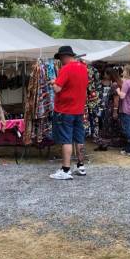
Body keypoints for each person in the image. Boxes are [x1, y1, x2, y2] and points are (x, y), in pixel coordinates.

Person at [49, 46, 89, 180]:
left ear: (64, 56)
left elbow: (57, 89)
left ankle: (66, 170)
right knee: (79, 139)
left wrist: (53, 83)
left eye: (60, 58)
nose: (60, 61)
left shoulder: (65, 68)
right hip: (79, 109)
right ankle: (81, 166)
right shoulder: (83, 68)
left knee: (66, 140)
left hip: (65, 110)